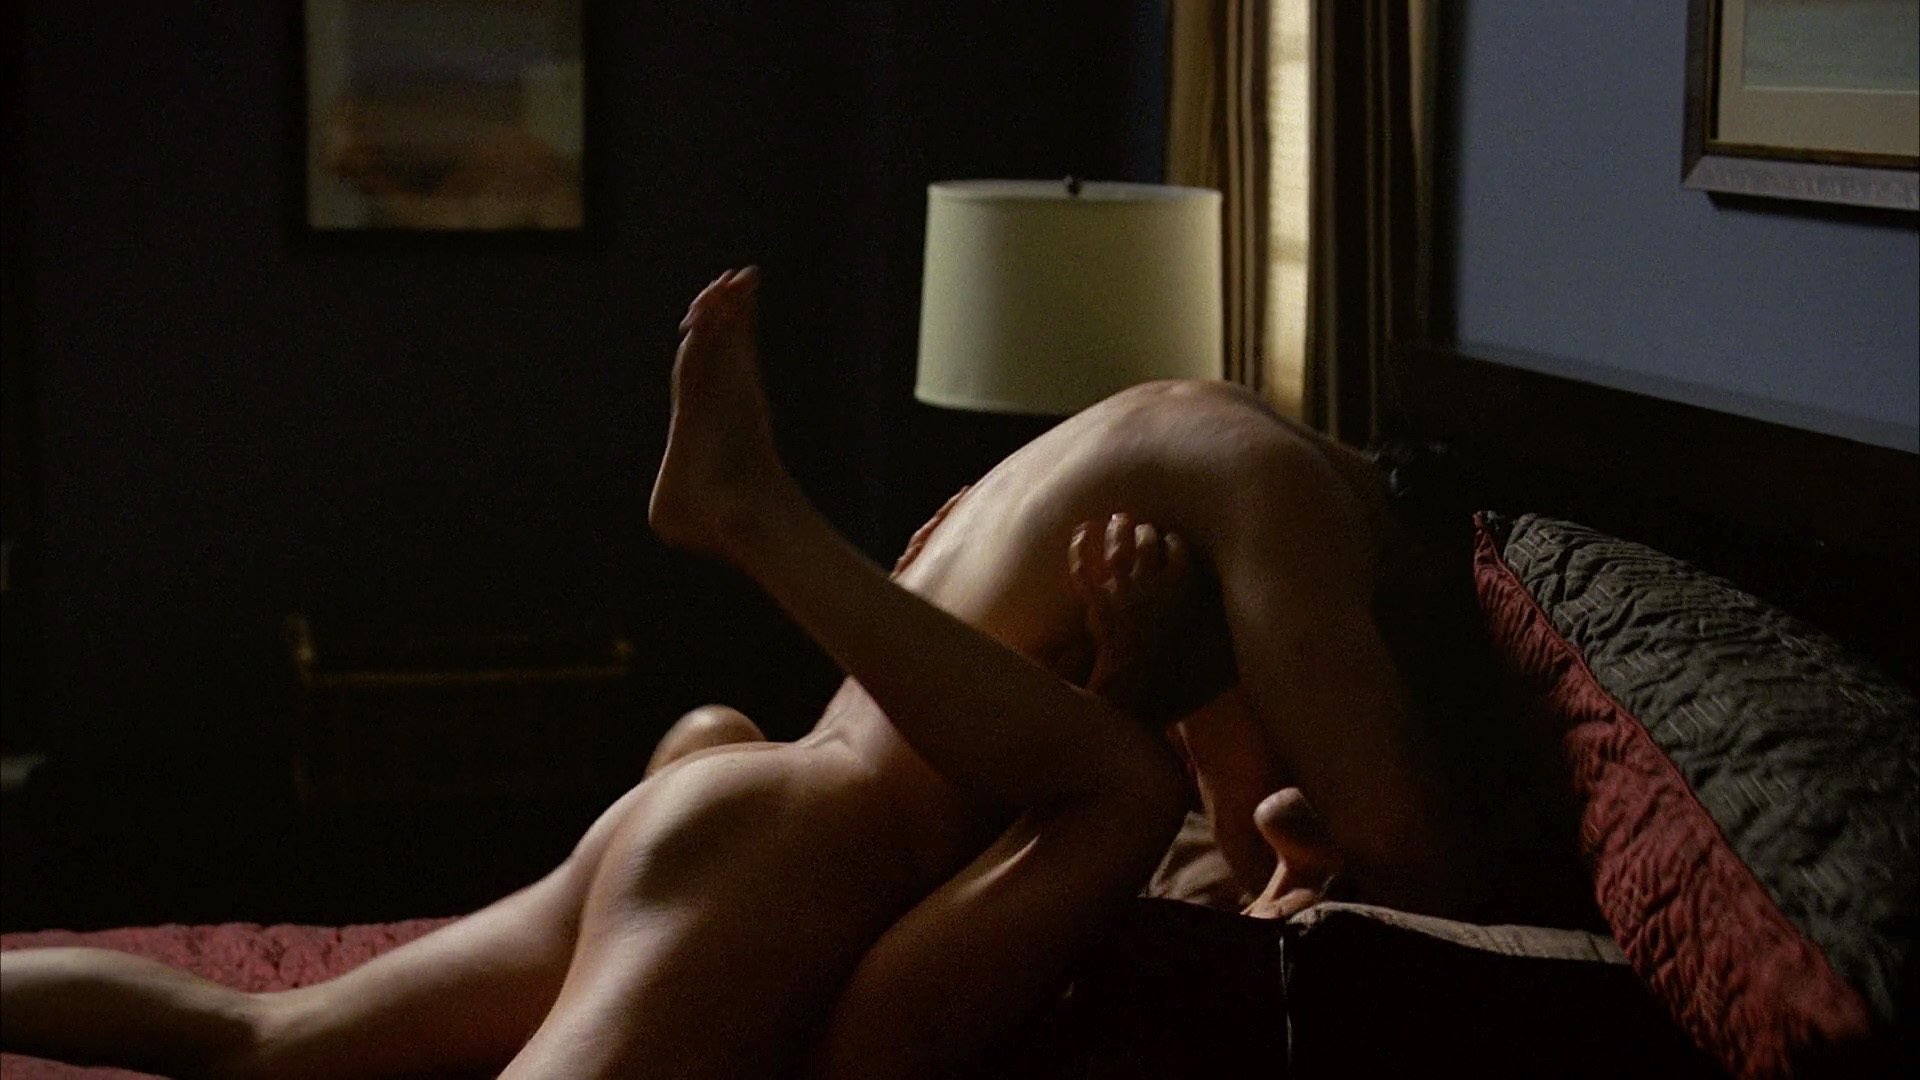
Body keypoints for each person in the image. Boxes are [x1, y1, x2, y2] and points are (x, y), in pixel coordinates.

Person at [1, 265, 1506, 1078]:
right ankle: (752, 517)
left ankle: (754, 519)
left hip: (742, 816)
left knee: (261, 1039)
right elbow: (1409, 859)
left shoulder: (1174, 451)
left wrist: (1173, 711)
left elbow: (1225, 835)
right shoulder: (1288, 506)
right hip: (782, 870)